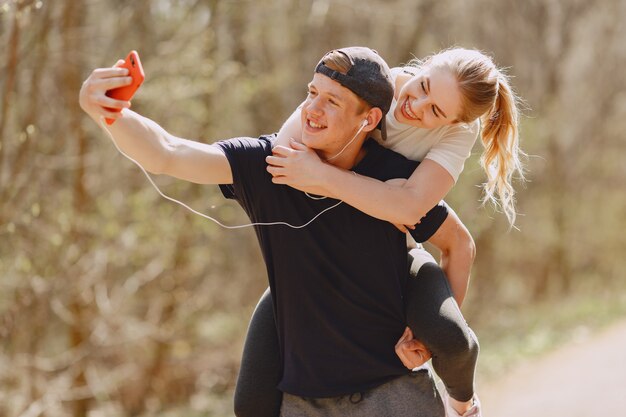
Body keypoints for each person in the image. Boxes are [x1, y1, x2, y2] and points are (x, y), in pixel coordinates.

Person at [79, 46, 478, 416]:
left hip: (393, 394)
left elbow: (456, 243)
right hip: (302, 403)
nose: (313, 110)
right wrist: (110, 113)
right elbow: (167, 151)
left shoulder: (394, 182)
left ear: (369, 119)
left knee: (455, 342)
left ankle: (466, 404)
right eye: (311, 94)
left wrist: (427, 336)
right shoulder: (268, 165)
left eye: (332, 101)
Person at [236, 47, 524, 417]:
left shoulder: (456, 137)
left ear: (455, 122)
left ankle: (464, 405)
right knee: (250, 402)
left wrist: (325, 176)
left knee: (451, 338)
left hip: (393, 254)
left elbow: (410, 208)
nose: (416, 105)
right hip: (315, 258)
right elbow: (284, 149)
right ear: (420, 69)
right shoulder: (375, 83)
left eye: (435, 110)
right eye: (422, 86)